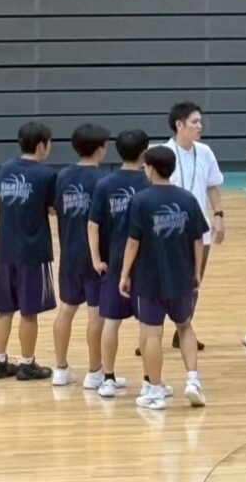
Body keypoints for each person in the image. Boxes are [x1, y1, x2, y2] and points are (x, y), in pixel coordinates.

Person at [119, 145, 208, 410]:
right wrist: (197, 271)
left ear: (151, 169)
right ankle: (193, 381)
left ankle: (155, 391)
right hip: (181, 276)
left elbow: (133, 242)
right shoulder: (188, 199)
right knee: (185, 326)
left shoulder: (141, 200)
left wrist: (124, 273)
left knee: (153, 334)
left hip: (150, 279)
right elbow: (198, 239)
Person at [0, 121, 57, 381]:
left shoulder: (5, 169)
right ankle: (28, 364)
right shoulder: (46, 175)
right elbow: (52, 208)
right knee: (29, 311)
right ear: (42, 145)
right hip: (33, 252)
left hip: (5, 250)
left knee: (5, 309)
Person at [87, 128, 151, 398]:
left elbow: (93, 225)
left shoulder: (105, 184)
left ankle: (108, 378)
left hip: (114, 262)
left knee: (111, 321)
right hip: (146, 264)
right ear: (144, 152)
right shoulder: (151, 183)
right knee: (148, 324)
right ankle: (149, 381)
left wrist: (96, 259)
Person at [52, 123, 110, 388]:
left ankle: (60, 368)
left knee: (66, 310)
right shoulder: (103, 181)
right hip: (96, 258)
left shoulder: (63, 176)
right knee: (96, 314)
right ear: (100, 149)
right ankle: (94, 372)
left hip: (69, 254)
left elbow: (54, 208)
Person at [162, 101, 224, 350]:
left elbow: (212, 185)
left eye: (200, 121)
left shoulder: (205, 152)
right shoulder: (163, 153)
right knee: (161, 283)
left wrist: (219, 215)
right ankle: (151, 333)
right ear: (179, 124)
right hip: (168, 230)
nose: (200, 126)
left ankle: (184, 330)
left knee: (193, 283)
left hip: (199, 231)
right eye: (195, 122)